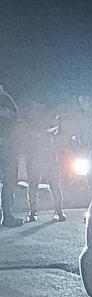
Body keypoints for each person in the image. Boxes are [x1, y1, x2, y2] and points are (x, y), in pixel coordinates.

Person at [0, 84, 23, 228]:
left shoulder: (6, 99)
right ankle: (7, 216)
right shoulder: (6, 99)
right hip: (6, 147)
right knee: (8, 183)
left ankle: (7, 216)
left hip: (7, 147)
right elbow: (16, 117)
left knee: (9, 183)